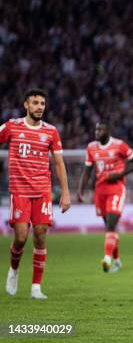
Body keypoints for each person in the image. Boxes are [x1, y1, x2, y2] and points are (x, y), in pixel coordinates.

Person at [2, 89, 71, 299]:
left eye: (42, 103)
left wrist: (66, 193)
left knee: (40, 236)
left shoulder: (51, 131)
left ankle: (35, 288)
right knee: (21, 238)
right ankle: (13, 270)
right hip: (20, 191)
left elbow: (59, 163)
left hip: (42, 191)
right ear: (26, 105)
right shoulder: (12, 126)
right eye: (35, 103)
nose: (39, 106)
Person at [78, 122, 133, 272]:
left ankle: (107, 259)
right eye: (96, 129)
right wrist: (81, 190)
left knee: (111, 224)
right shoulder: (91, 147)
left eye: (100, 129)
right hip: (100, 191)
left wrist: (120, 175)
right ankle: (117, 260)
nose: (97, 131)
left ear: (108, 131)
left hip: (116, 189)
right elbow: (87, 171)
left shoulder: (120, 145)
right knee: (109, 228)